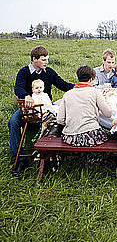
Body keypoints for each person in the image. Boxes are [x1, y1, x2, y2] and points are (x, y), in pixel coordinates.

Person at [9, 46, 73, 176]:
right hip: (29, 108)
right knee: (13, 122)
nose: (46, 62)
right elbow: (18, 88)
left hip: (45, 108)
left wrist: (80, 87)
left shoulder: (49, 72)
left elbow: (63, 85)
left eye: (47, 59)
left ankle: (49, 155)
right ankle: (18, 158)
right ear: (34, 59)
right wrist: (26, 96)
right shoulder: (24, 72)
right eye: (44, 60)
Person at [57, 65, 112, 146]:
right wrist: (107, 98)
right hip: (92, 135)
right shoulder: (95, 92)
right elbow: (108, 114)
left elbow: (60, 120)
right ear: (92, 79)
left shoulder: (68, 94)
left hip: (71, 137)